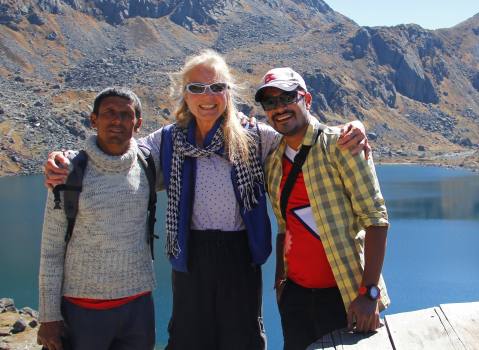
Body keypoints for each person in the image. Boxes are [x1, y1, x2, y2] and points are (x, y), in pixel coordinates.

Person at [43, 50, 369, 350]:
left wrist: (352, 127)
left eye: (216, 87)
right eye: (196, 88)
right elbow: (121, 155)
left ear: (229, 92)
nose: (207, 97)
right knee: (188, 337)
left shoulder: (255, 136)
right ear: (184, 94)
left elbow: (305, 139)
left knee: (242, 337)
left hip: (240, 256)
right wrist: (71, 159)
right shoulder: (169, 139)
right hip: (190, 254)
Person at [254, 67, 390, 350]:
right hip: (296, 298)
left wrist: (369, 294)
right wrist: (281, 280)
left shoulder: (341, 144)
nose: (279, 108)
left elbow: (376, 220)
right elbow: (284, 226)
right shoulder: (274, 162)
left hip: (346, 296)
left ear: (307, 99)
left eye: (287, 97)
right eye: (270, 102)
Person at [37, 87, 157, 350]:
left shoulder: (148, 164)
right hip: (81, 310)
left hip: (138, 307)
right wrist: (48, 317)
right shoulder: (68, 173)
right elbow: (51, 251)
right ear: (94, 120)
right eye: (109, 113)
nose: (117, 120)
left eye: (126, 115)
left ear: (137, 124)